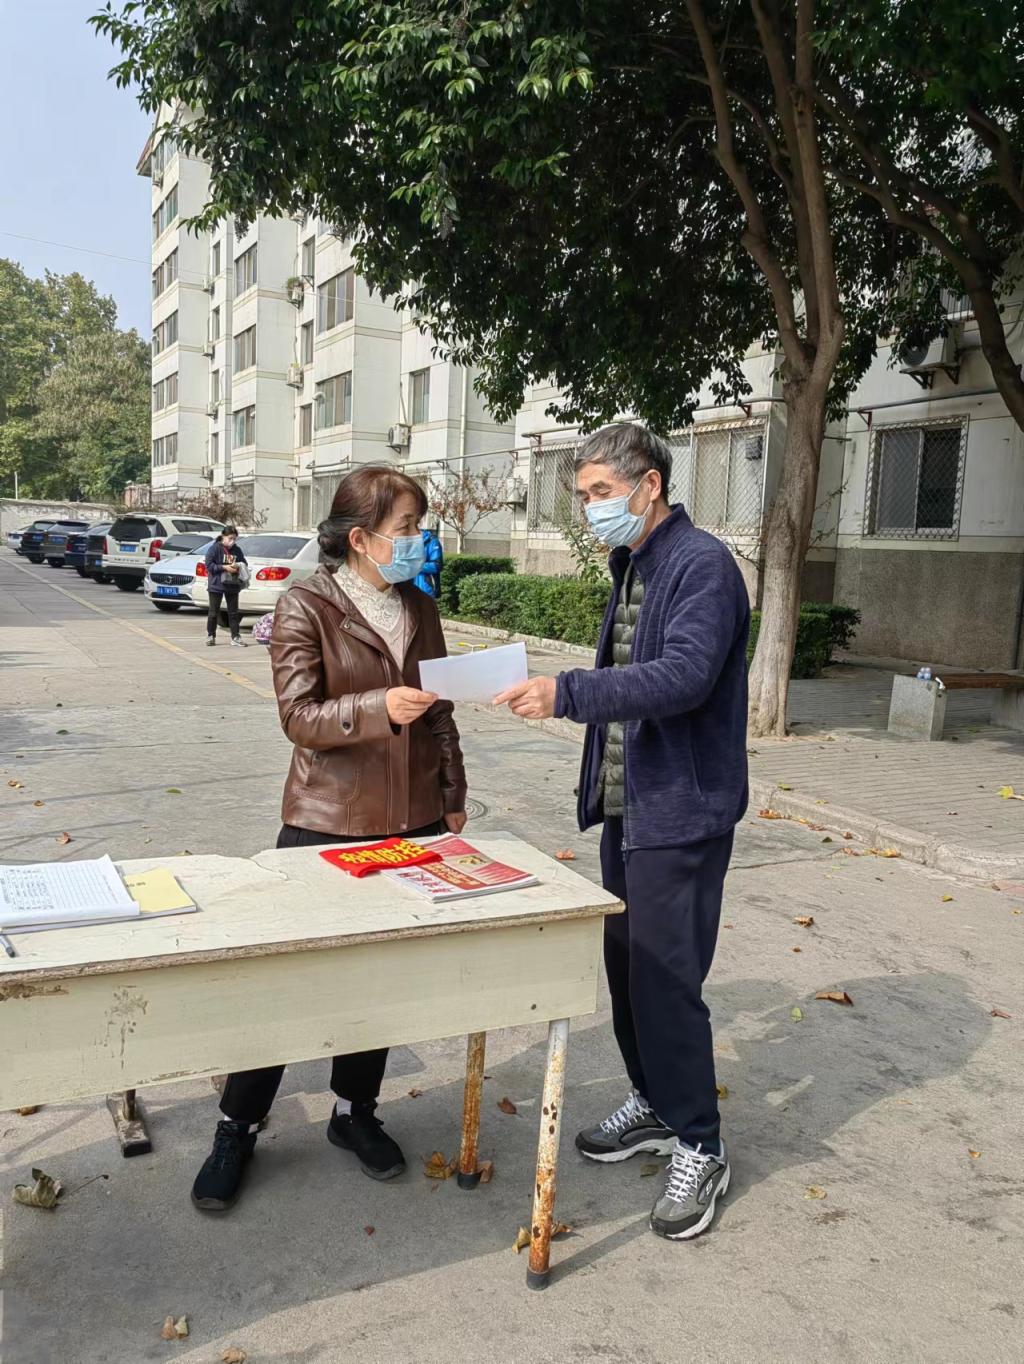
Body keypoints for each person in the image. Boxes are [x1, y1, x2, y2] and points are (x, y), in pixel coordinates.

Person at [494, 422, 749, 1242]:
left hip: (680, 811)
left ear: (650, 485)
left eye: (601, 493)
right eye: (583, 496)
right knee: (628, 971)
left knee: (667, 981)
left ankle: (701, 1143)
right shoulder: (634, 562)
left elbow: (683, 677)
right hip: (629, 809)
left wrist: (567, 692)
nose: (590, 508)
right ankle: (655, 1101)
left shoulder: (702, 565)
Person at [191, 466, 468, 1212]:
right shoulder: (304, 605)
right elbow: (299, 717)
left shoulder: (419, 605)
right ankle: (238, 1125)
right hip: (325, 822)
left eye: (419, 527)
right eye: (407, 529)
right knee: (288, 980)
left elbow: (441, 708)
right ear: (362, 538)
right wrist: (380, 707)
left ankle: (354, 1113)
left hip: (410, 820)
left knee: (378, 979)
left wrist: (451, 795)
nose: (419, 540)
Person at [204, 525, 248, 647]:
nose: (232, 541)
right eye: (230, 538)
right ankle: (211, 635)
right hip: (216, 585)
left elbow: (244, 563)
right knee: (213, 612)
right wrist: (224, 567)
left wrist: (237, 566)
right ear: (223, 537)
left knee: (233, 613)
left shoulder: (237, 550)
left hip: (232, 585)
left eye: (234, 539)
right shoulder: (214, 549)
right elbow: (209, 566)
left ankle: (235, 636)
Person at [414, 525, 443, 598]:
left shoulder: (432, 541)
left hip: (425, 590)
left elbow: (437, 565)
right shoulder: (401, 540)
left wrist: (414, 566)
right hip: (404, 591)